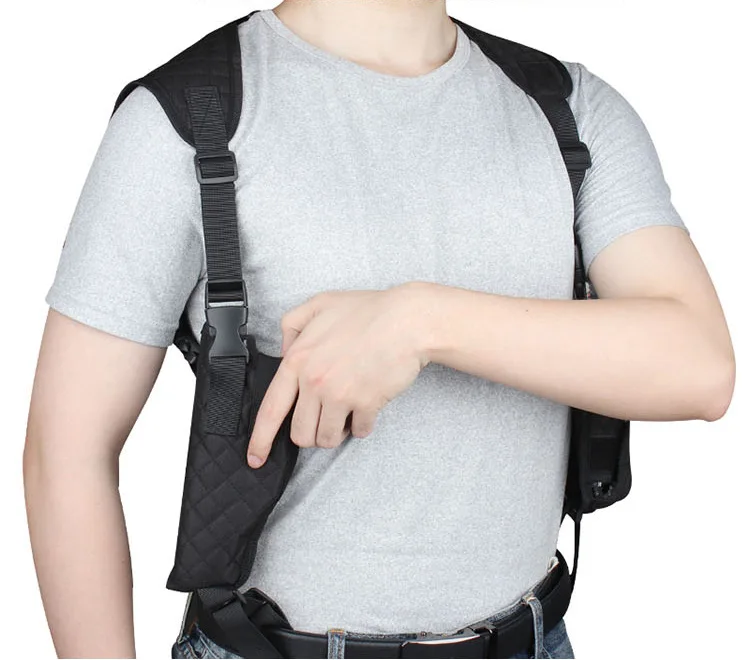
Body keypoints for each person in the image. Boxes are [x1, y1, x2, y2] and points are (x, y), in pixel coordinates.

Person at [23, 1, 735, 658]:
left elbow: (700, 367)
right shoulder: (185, 117)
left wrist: (420, 322)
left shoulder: (569, 109)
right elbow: (67, 452)